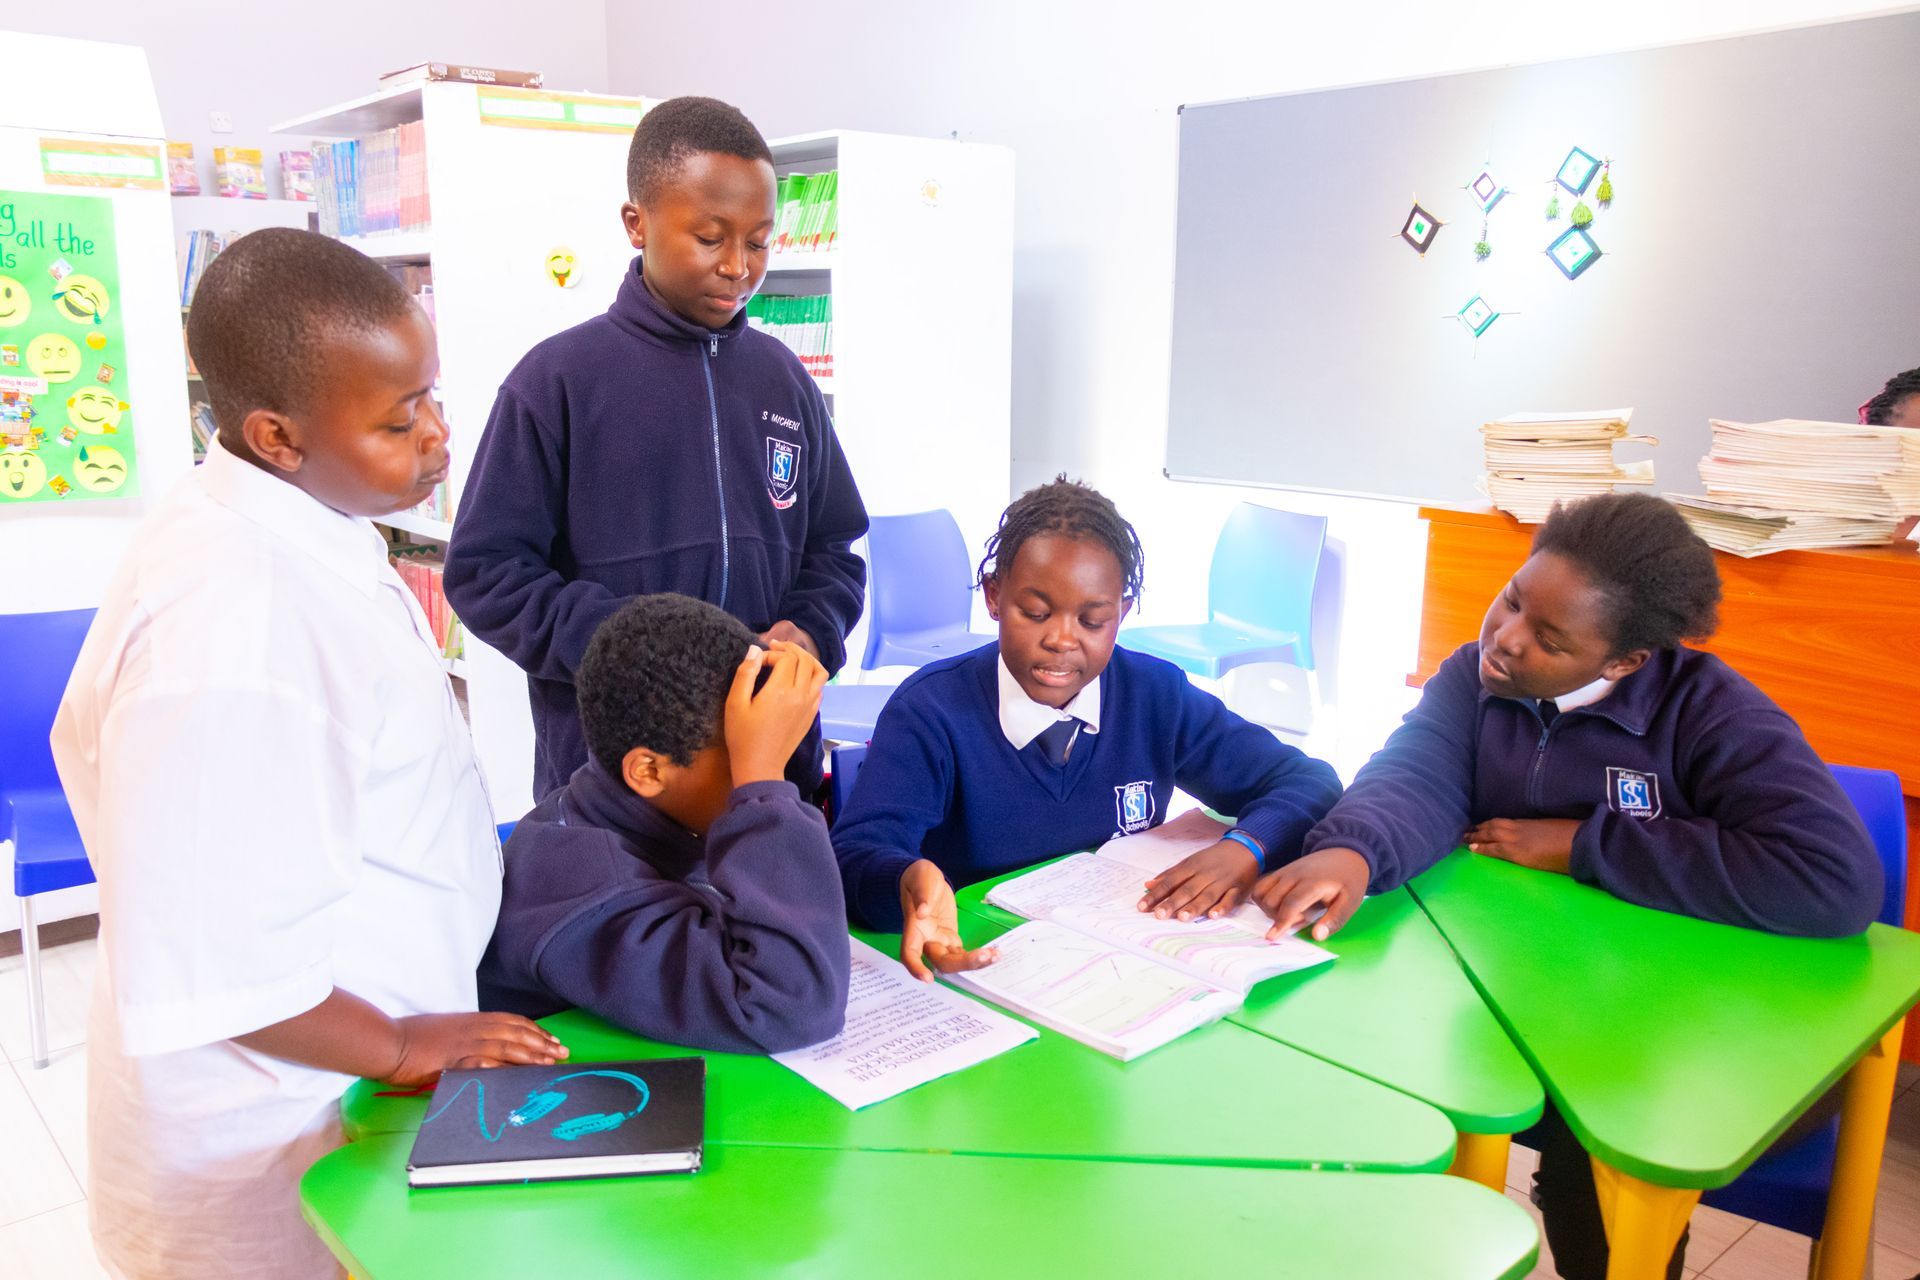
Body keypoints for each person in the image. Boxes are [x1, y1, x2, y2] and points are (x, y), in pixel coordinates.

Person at [51, 228, 562, 1280]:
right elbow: (227, 962)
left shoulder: (298, 521)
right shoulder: (234, 633)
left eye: (429, 395)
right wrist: (406, 1044)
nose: (438, 434)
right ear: (277, 434)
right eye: (397, 418)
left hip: (337, 1071)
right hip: (268, 1125)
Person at [1252, 490, 1881, 1280]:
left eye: (1548, 638)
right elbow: (1418, 775)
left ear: (1623, 662)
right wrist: (1354, 851)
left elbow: (1834, 877)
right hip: (1532, 997)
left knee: (1599, 1168)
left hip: (1690, 1029)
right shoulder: (1473, 681)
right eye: (1512, 601)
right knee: (1372, 1080)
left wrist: (1589, 843)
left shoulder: (1709, 713)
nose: (1505, 642)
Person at [446, 96, 867, 802]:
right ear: (637, 224)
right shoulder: (557, 382)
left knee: (771, 906)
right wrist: (633, 650)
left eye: (759, 241)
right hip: (617, 775)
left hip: (770, 762)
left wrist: (813, 634)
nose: (738, 267)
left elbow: (834, 548)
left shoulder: (782, 377)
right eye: (710, 237)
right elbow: (486, 575)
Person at [831, 477, 1343, 980]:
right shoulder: (932, 712)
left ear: (1121, 612)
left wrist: (1245, 848)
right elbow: (855, 857)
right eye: (1034, 613)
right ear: (993, 597)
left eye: (1093, 621)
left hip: (1119, 968)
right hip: (982, 968)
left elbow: (1308, 780)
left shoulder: (1153, 695)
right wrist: (907, 880)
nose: (1061, 639)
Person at [478, 594, 849, 1052]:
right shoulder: (587, 894)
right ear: (649, 771)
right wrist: (762, 786)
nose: (770, 770)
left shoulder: (662, 810)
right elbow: (794, 1008)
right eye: (747, 755)